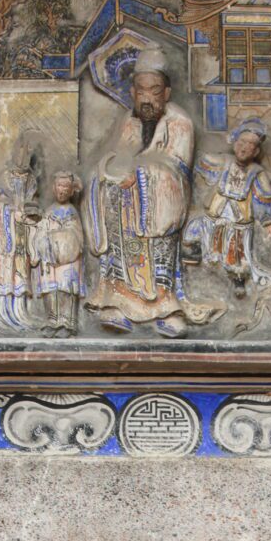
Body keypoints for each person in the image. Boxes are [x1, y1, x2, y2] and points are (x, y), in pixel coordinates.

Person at [84, 46, 221, 338]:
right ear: (133, 92)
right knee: (106, 191)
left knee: (159, 232)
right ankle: (117, 303)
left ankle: (165, 309)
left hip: (160, 197)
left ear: (167, 93)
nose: (147, 98)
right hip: (126, 206)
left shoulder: (180, 122)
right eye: (141, 90)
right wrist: (109, 173)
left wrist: (141, 175)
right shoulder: (129, 121)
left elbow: (176, 166)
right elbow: (118, 155)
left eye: (154, 90)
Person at [183, 118, 271, 297]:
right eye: (241, 142)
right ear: (234, 143)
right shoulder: (223, 162)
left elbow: (262, 201)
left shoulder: (257, 173)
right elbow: (203, 163)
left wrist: (267, 222)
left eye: (250, 145)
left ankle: (238, 281)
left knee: (236, 255)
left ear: (256, 151)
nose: (244, 148)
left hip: (239, 221)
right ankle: (195, 261)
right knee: (196, 231)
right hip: (216, 214)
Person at [0, 145, 42, 332]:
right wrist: (9, 212)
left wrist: (30, 214)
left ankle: (20, 313)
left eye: (27, 155)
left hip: (22, 233)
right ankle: (0, 313)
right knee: (3, 274)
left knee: (20, 275)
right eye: (20, 153)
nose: (23, 158)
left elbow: (31, 201)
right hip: (4, 232)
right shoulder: (2, 179)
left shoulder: (32, 180)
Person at [30, 172, 85, 338]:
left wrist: (59, 239)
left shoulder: (71, 211)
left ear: (70, 191)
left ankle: (67, 322)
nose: (62, 191)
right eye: (59, 187)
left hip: (66, 259)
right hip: (49, 258)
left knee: (65, 288)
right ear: (54, 188)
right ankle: (52, 320)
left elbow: (75, 235)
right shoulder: (50, 210)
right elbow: (41, 229)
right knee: (51, 288)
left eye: (65, 188)